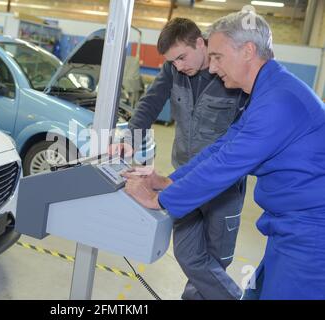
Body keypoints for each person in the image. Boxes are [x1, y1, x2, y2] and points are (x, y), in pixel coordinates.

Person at [123, 11, 325, 300]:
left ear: (248, 51)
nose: (213, 68)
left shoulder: (278, 102)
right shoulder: (269, 92)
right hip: (289, 226)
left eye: (217, 57)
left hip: (312, 233)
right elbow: (223, 147)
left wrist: (160, 200)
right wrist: (169, 181)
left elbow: (228, 163)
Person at [112, 17, 248, 300]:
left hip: (222, 186)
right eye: (173, 61)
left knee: (216, 259)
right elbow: (150, 102)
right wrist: (128, 141)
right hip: (182, 177)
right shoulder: (174, 71)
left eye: (182, 57)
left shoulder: (229, 73)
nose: (179, 66)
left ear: (201, 43)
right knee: (187, 254)